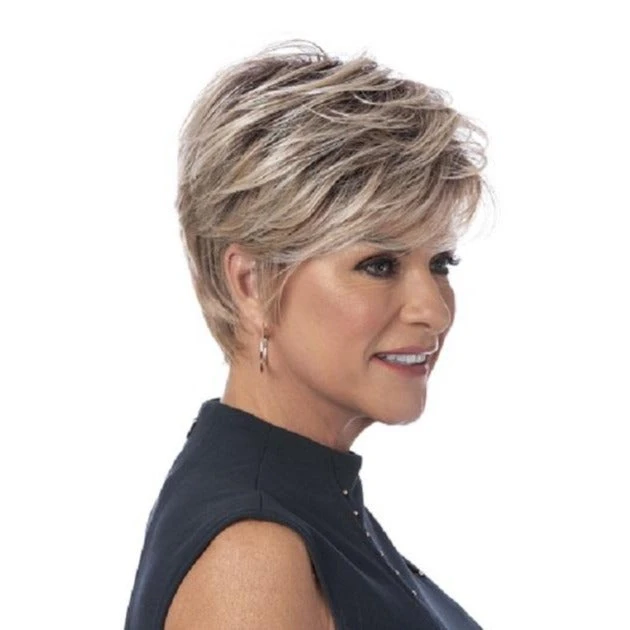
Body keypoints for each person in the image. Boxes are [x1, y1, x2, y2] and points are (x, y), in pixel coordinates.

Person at [124, 38, 490, 629]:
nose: (435, 311)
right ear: (251, 284)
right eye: (379, 265)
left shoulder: (310, 504)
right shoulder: (253, 558)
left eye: (440, 263)